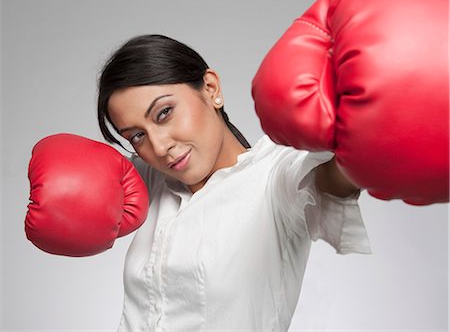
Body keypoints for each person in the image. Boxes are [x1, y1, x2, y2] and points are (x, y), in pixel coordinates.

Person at [97, 34, 372, 331]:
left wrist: (366, 119)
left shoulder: (274, 177)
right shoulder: (148, 178)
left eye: (164, 113)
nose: (159, 146)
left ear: (211, 88)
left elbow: (337, 176)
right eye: (137, 136)